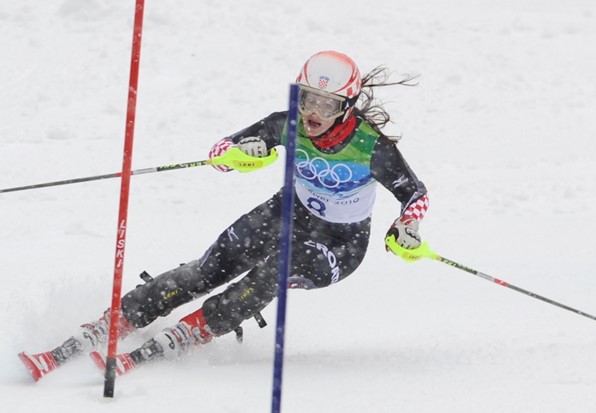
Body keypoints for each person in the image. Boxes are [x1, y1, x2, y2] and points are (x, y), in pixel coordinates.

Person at [18, 50, 429, 381]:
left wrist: (406, 226)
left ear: (347, 105)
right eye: (307, 98)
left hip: (340, 242)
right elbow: (220, 153)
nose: (313, 112)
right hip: (289, 211)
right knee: (209, 268)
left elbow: (414, 193)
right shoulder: (286, 124)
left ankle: (192, 330)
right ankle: (121, 318)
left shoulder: (371, 146)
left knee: (272, 272)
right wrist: (240, 153)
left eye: (327, 103)